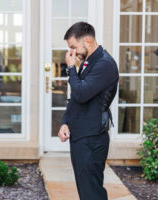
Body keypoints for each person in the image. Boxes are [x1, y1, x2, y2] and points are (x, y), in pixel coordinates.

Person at [58, 22, 119, 200]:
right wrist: (65, 121)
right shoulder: (89, 61)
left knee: (92, 193)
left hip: (92, 139)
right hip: (82, 137)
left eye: (73, 47)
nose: (72, 53)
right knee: (86, 191)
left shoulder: (105, 64)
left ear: (87, 41)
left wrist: (70, 68)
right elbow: (76, 98)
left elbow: (82, 93)